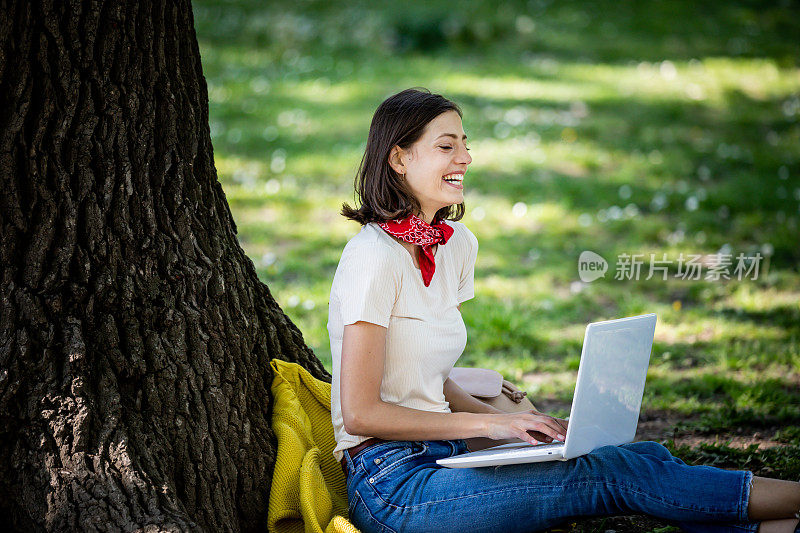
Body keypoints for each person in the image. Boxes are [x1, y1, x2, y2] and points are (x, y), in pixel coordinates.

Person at [326, 87, 800, 533]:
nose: (466, 159)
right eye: (447, 147)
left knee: (639, 456)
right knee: (612, 473)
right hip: (393, 486)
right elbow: (364, 413)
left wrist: (530, 435)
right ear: (399, 157)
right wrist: (495, 424)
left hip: (448, 453)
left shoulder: (457, 247)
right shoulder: (372, 257)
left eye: (465, 145)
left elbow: (429, 383)